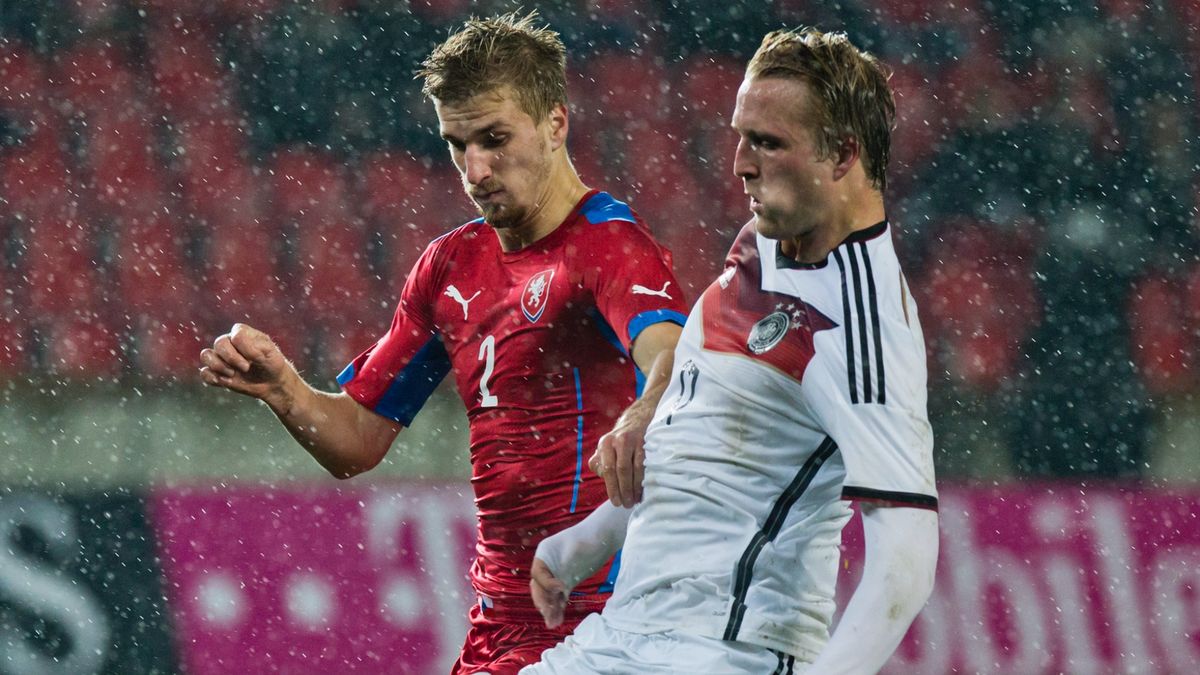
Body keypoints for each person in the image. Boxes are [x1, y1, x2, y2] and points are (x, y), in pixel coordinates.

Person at [198, 11, 686, 675]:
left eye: (494, 139)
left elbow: (676, 359)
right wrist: (285, 389)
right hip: (497, 628)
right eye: (458, 145)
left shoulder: (610, 246)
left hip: (605, 621)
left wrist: (639, 414)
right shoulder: (450, 266)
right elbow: (359, 440)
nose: (476, 168)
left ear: (555, 123)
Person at [523, 28, 939, 674]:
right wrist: (584, 543)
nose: (740, 162)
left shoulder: (862, 324)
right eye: (740, 135)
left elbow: (905, 560)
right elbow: (701, 442)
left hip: (724, 652)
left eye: (767, 144)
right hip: (624, 635)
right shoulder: (762, 239)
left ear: (842, 156)